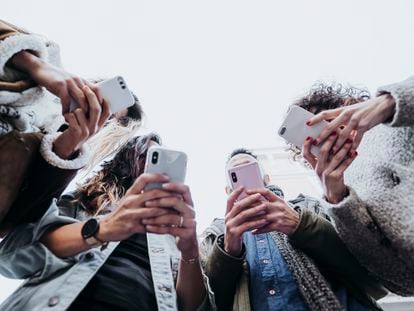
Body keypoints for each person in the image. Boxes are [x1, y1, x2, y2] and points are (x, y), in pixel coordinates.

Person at [0, 133, 214, 311]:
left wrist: (190, 253)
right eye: (147, 156)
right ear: (127, 160)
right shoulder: (85, 201)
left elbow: (196, 307)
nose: (153, 167)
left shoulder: (175, 231)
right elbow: (11, 256)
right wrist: (104, 228)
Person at [0, 19, 143, 233]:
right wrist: (34, 66)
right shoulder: (46, 55)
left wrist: (65, 148)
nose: (98, 116)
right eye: (102, 102)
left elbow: (15, 224)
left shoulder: (60, 164)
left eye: (109, 121)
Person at [201, 148, 386, 311]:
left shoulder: (309, 206)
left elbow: (364, 269)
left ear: (266, 179)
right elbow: (214, 300)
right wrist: (228, 251)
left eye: (250, 168)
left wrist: (300, 224)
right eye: (235, 174)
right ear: (228, 190)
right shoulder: (217, 233)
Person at [294, 82, 414, 296]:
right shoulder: (340, 192)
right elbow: (402, 284)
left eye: (326, 119)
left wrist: (392, 101)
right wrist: (338, 198)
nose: (326, 134)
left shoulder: (393, 117)